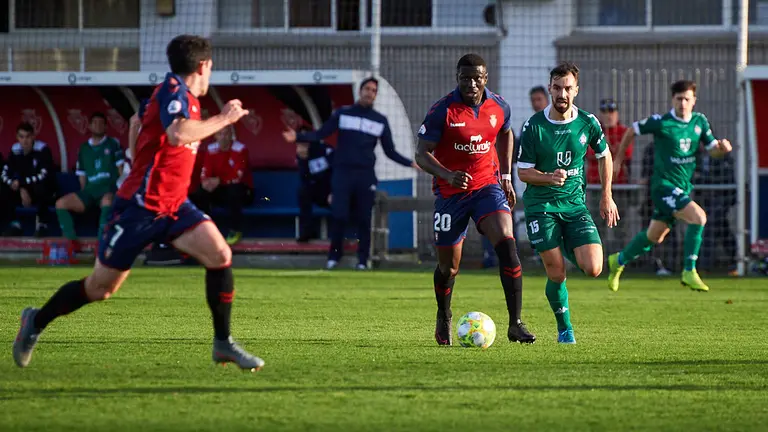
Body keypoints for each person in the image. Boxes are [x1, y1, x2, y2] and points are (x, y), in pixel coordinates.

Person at [13, 34, 264, 371]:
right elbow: (177, 134)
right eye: (211, 68)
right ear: (203, 66)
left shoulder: (183, 97)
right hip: (138, 208)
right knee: (99, 289)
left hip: (174, 205)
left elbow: (151, 135)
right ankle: (35, 321)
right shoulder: (174, 91)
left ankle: (223, 343)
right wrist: (225, 118)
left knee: (220, 255)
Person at [415, 53, 536, 346]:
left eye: (476, 78)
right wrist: (447, 175)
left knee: (507, 243)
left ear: (485, 78)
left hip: (487, 186)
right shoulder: (442, 111)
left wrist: (506, 176)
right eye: (465, 78)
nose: (471, 83)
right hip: (450, 193)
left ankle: (515, 324)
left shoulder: (499, 106)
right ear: (458, 78)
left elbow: (506, 133)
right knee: (449, 267)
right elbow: (421, 154)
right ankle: (443, 315)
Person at [518, 62, 619, 344]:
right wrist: (549, 177)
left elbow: (604, 156)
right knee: (557, 271)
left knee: (594, 268)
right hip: (542, 207)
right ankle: (565, 329)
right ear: (550, 88)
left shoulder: (588, 122)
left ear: (576, 90)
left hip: (575, 207)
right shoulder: (534, 126)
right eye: (557, 88)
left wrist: (606, 195)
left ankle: (564, 243)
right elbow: (523, 172)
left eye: (567, 88)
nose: (562, 93)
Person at [608, 80, 733, 292]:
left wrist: (723, 149)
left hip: (682, 188)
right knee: (699, 217)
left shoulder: (699, 122)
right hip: (662, 187)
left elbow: (713, 150)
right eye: (679, 99)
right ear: (672, 99)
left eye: (687, 99)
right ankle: (689, 271)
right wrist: (618, 161)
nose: (683, 103)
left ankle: (618, 260)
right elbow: (631, 130)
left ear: (694, 100)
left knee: (654, 236)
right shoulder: (662, 122)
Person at [282, 77, 417, 270]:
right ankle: (333, 258)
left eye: (373, 90)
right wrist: (298, 137)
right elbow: (321, 133)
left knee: (364, 218)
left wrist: (411, 163)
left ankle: (363, 260)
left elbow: (390, 151)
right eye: (367, 89)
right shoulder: (343, 114)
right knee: (339, 215)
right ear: (360, 91)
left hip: (365, 175)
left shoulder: (380, 120)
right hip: (343, 174)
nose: (369, 93)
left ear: (375, 95)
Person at [481, 85, 550, 268]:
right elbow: (519, 156)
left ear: (547, 99)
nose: (536, 104)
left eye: (539, 100)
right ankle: (500, 257)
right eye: (533, 100)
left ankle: (546, 256)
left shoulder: (554, 124)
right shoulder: (527, 125)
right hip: (531, 182)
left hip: (551, 181)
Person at [55, 113, 124, 241]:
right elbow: (82, 175)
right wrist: (83, 194)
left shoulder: (113, 144)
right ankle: (71, 242)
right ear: (90, 126)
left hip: (108, 190)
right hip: (90, 191)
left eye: (101, 123)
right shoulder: (84, 148)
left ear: (105, 127)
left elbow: (121, 170)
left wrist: (119, 192)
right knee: (60, 203)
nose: (98, 126)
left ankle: (101, 244)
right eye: (95, 123)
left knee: (107, 202)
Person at [193, 126, 254, 245]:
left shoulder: (240, 149)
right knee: (200, 193)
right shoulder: (211, 149)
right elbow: (206, 171)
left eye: (226, 134)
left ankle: (235, 230)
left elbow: (238, 175)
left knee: (234, 192)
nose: (223, 137)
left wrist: (219, 180)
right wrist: (206, 182)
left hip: (243, 190)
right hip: (221, 188)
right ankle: (204, 230)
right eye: (220, 134)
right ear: (215, 136)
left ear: (231, 135)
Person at [586, 99, 634, 247]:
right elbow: (589, 154)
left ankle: (619, 259)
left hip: (619, 185)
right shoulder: (595, 130)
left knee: (620, 226)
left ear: (617, 114)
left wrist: (605, 147)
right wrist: (612, 150)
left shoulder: (623, 132)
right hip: (596, 185)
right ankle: (600, 259)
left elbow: (627, 154)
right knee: (597, 224)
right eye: (604, 112)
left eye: (611, 112)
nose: (608, 116)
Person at [0, 123, 55, 237]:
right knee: (4, 188)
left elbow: (43, 175)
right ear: (17, 137)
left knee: (42, 186)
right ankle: (15, 225)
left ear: (34, 136)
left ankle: (42, 225)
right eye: (21, 137)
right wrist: (19, 187)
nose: (25, 141)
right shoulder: (15, 150)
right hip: (23, 191)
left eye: (28, 136)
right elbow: (5, 173)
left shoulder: (43, 149)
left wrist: (22, 185)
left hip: (42, 191)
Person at [639, 141, 675, 276]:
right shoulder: (651, 148)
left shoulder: (675, 145)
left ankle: (670, 264)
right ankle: (652, 263)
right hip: (652, 197)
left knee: (668, 232)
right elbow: (646, 173)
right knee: (650, 232)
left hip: (671, 197)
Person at [294, 125, 334, 243]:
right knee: (303, 191)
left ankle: (340, 238)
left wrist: (334, 191)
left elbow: (337, 173)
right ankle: (307, 232)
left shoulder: (325, 150)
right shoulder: (302, 155)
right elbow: (305, 179)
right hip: (319, 193)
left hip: (334, 190)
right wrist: (304, 160)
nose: (304, 143)